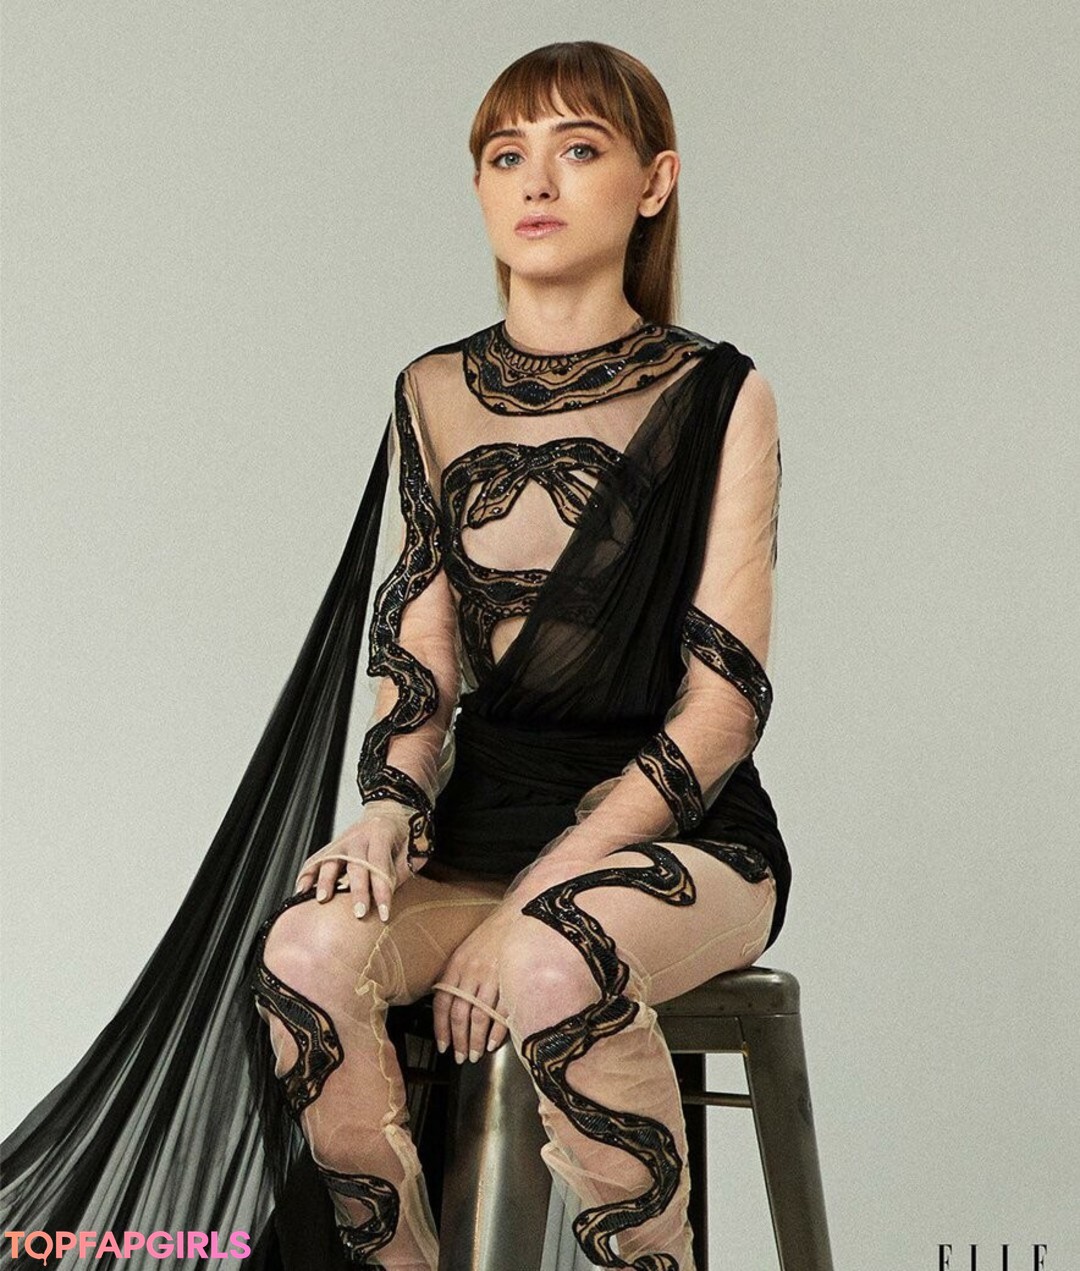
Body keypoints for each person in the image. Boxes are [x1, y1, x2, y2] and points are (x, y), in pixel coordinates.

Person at [1, 39, 789, 1271]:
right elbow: (419, 662)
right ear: (479, 187)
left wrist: (533, 900)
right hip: (477, 828)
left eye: (579, 149)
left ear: (654, 182)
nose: (537, 181)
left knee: (553, 959)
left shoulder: (722, 391)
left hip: (678, 837)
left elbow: (722, 709)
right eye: (506, 155)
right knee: (305, 950)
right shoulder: (431, 390)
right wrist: (383, 814)